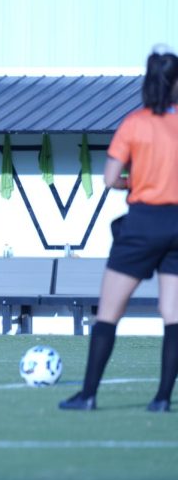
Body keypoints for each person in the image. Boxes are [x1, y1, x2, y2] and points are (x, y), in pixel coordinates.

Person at [61, 49, 178, 412]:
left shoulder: (135, 123)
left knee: (109, 312)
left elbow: (111, 178)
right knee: (173, 314)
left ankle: (89, 394)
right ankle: (161, 399)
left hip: (144, 221)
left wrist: (136, 181)